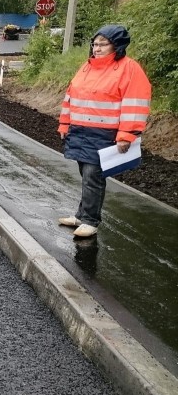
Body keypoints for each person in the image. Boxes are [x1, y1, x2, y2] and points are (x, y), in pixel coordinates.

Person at [57, 24, 151, 238]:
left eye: (102, 44)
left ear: (116, 46)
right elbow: (71, 97)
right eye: (95, 44)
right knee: (86, 174)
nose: (97, 48)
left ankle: (90, 220)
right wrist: (65, 124)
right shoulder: (87, 67)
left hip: (104, 134)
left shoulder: (130, 69)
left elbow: (135, 104)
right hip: (81, 131)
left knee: (93, 175)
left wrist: (127, 134)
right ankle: (82, 215)